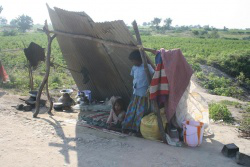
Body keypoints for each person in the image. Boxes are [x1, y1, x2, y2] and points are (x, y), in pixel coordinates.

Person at [122, 50, 154, 135]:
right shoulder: (134, 68)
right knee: (132, 109)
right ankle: (128, 126)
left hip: (143, 93)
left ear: (139, 59)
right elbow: (133, 77)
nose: (133, 62)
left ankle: (137, 129)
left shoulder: (147, 67)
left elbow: (154, 75)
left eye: (133, 61)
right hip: (135, 92)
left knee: (140, 111)